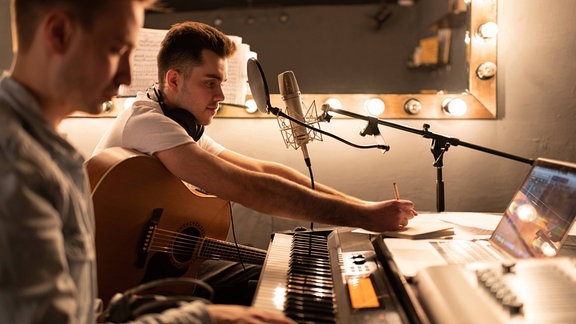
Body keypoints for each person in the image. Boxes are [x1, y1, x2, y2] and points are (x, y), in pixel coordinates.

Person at [0, 1, 294, 323]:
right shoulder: (16, 166)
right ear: (58, 33)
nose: (127, 75)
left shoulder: (53, 154)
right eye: (116, 49)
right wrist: (203, 318)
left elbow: (82, 312)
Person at [93, 21, 418, 305]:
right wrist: (363, 217)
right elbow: (247, 188)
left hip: (156, 259)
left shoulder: (175, 120)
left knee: (282, 267)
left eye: (221, 82)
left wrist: (365, 206)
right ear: (174, 80)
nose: (220, 95)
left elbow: (262, 171)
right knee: (285, 280)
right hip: (118, 276)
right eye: (210, 83)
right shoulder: (149, 122)